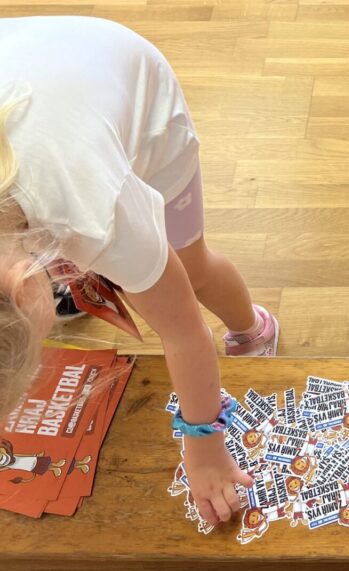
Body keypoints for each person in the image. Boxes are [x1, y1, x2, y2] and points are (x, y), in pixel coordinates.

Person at [0, 16, 281, 525]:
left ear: (23, 286)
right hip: (42, 79)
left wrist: (204, 446)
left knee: (190, 270)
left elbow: (184, 330)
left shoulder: (93, 213)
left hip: (136, 95)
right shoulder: (67, 214)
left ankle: (253, 328)